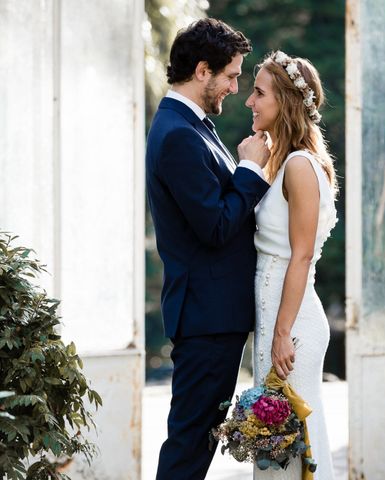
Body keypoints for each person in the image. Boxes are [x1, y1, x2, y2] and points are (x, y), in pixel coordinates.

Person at [145, 18, 271, 480]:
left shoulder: (190, 124)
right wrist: (249, 172)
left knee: (196, 439)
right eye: (232, 75)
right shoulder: (179, 134)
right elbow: (215, 226)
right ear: (203, 70)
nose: (236, 88)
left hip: (213, 315)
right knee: (190, 443)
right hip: (205, 317)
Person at [245, 51, 338, 480]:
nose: (250, 101)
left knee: (294, 445)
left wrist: (282, 333)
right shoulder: (280, 163)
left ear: (284, 101)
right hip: (276, 320)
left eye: (259, 92)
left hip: (293, 325)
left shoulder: (300, 166)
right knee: (277, 448)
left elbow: (300, 255)